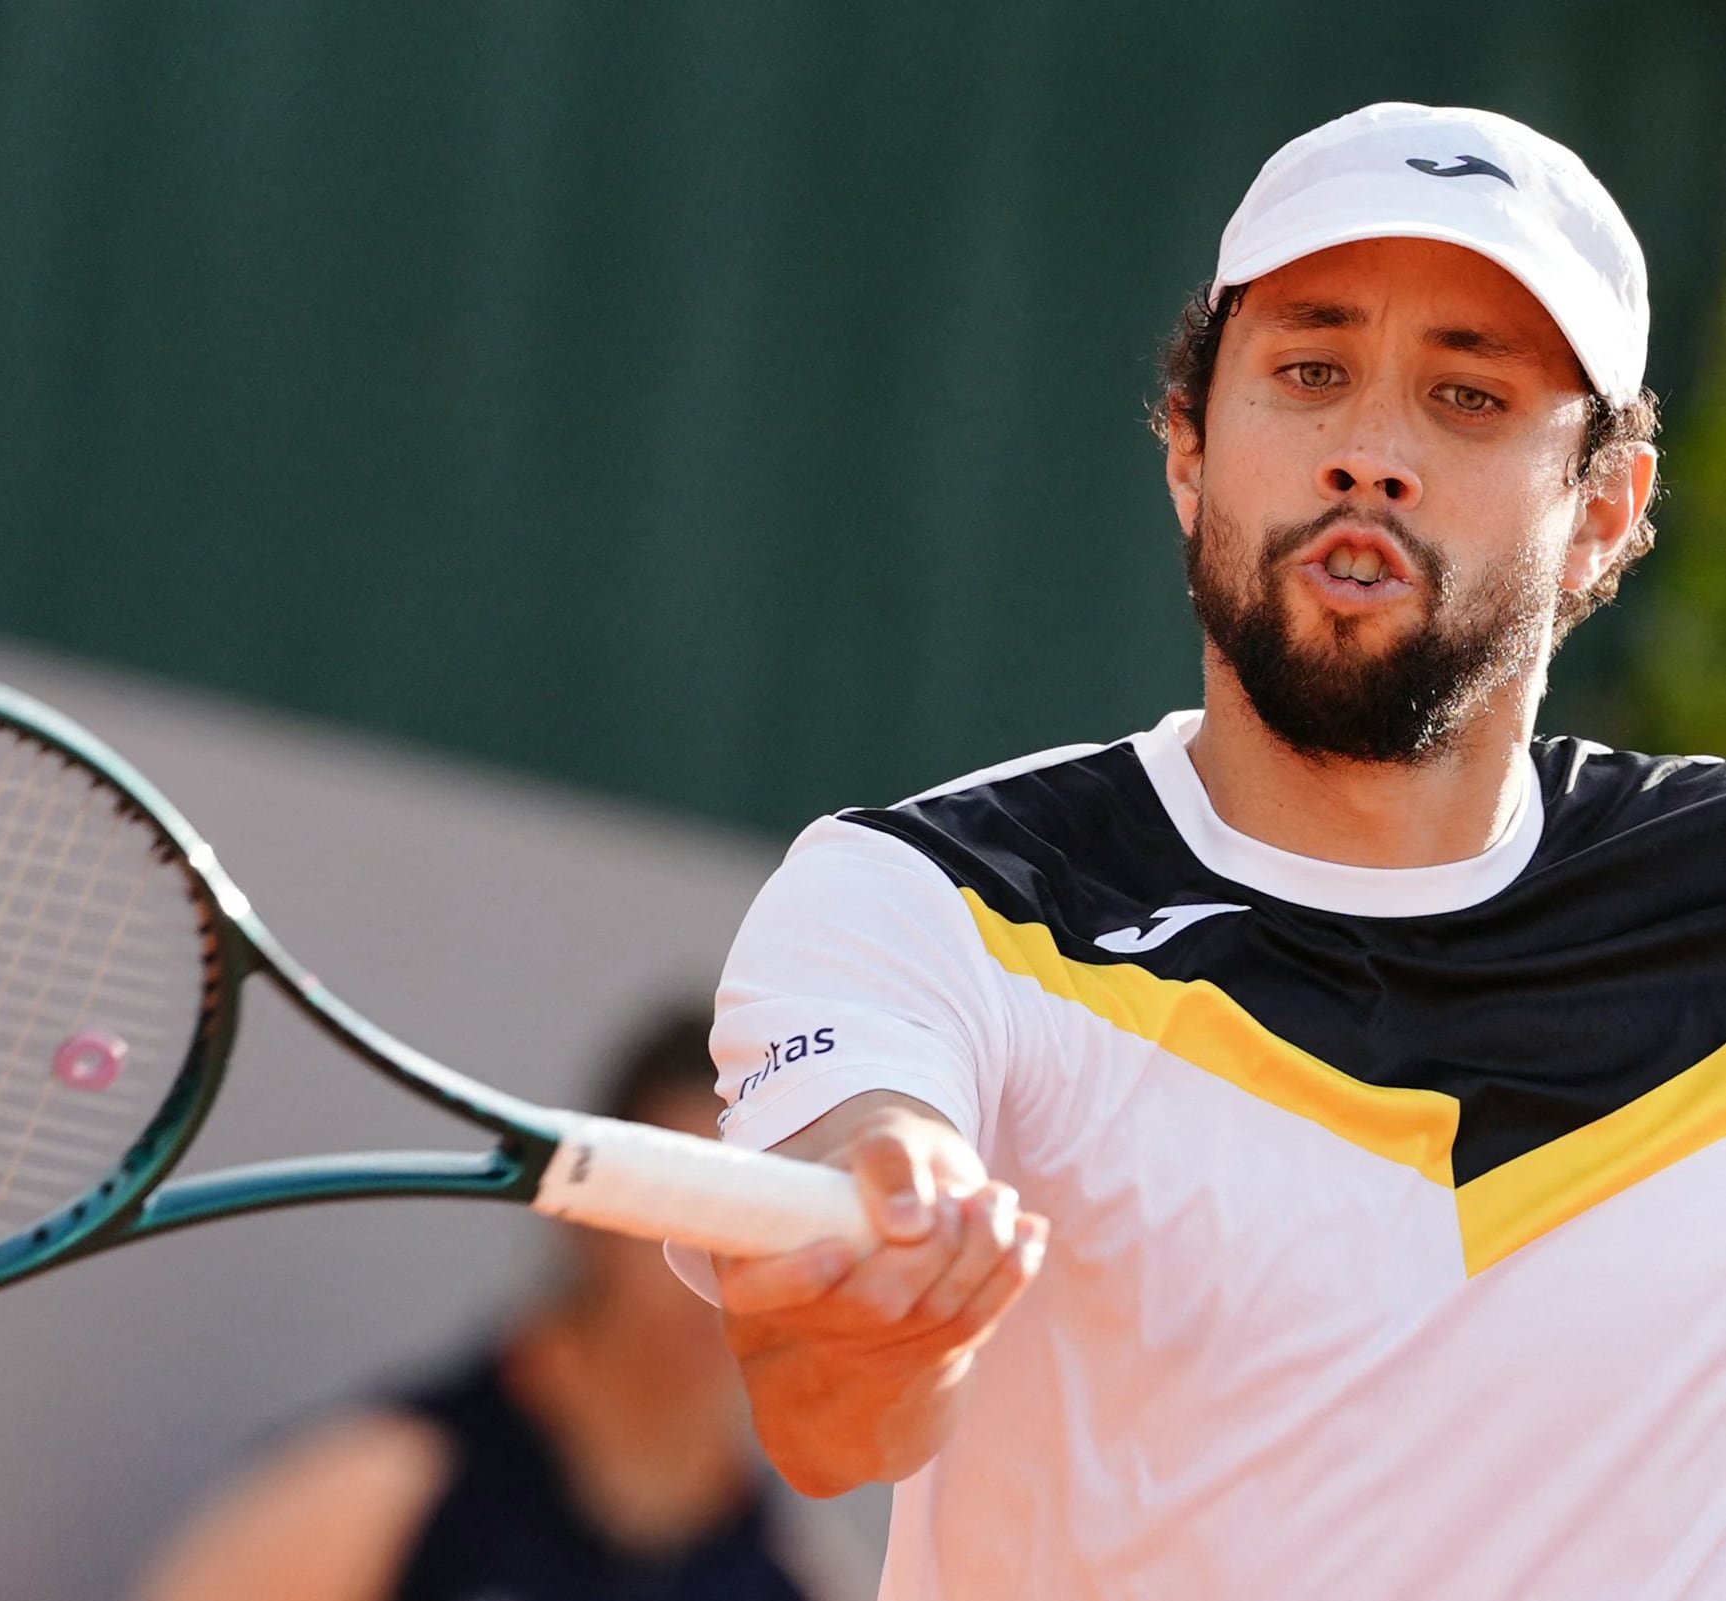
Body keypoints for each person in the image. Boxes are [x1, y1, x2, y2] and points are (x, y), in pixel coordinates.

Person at [678, 102, 1693, 1598]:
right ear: (1189, 451)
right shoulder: (925, 898)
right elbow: (834, 1420)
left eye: (1466, 398)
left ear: (1603, 512)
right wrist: (888, 1277)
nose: (1371, 454)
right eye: (1308, 373)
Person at [135, 1008, 876, 1601]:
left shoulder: (797, 1573)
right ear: (585, 1218)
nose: (721, 1263)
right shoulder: (374, 1489)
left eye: (772, 1218)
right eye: (692, 1209)